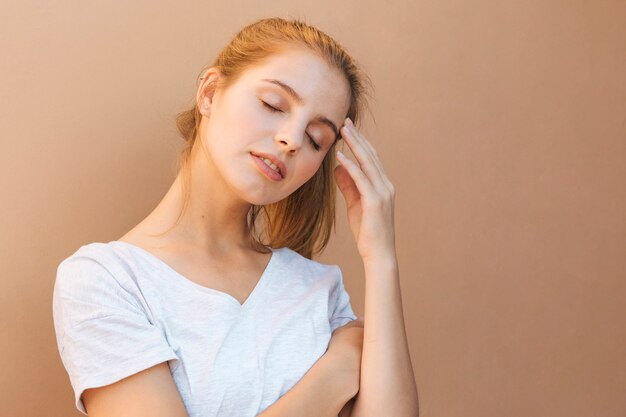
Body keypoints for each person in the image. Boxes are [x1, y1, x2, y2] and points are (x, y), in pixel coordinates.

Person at [52, 16, 417, 417]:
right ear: (209, 93)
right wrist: (336, 373)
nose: (292, 140)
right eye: (273, 105)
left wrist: (381, 258)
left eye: (316, 139)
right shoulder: (107, 280)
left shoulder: (320, 290)